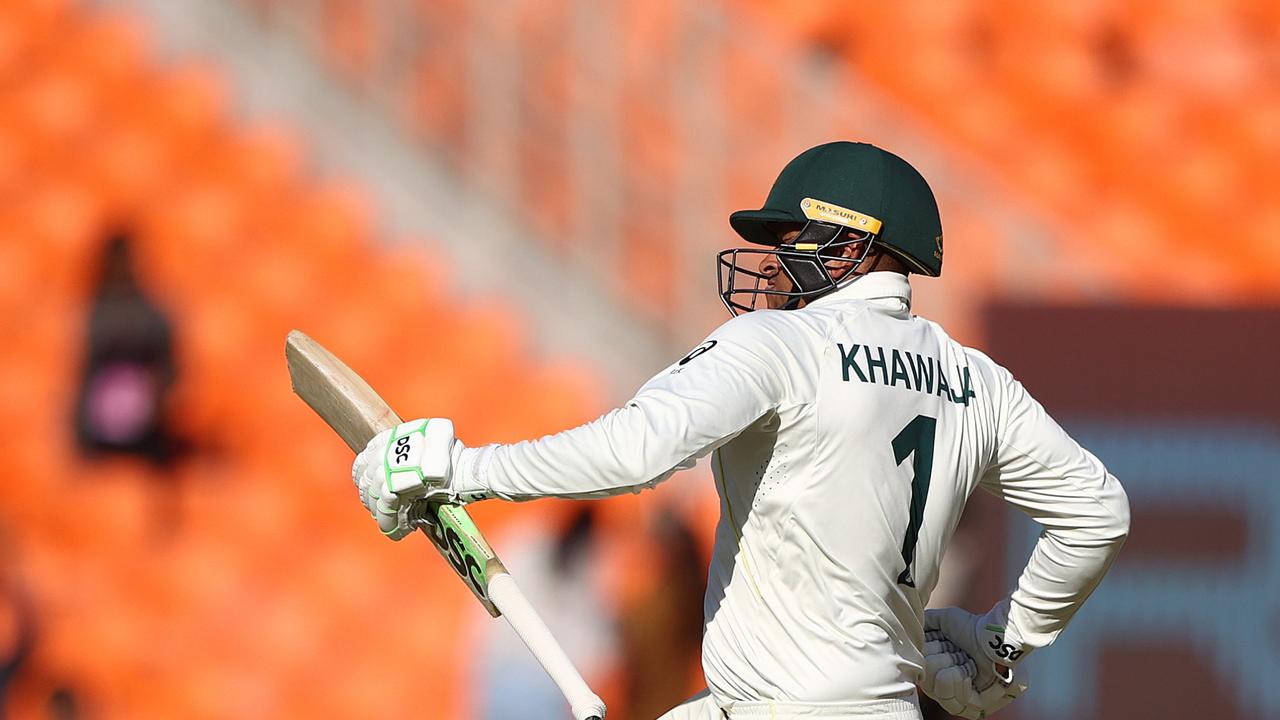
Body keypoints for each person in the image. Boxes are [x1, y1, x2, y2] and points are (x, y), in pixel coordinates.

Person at [350, 142, 1130, 719]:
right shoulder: (976, 381)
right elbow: (1100, 512)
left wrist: (454, 468)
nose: (778, 258)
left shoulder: (783, 345)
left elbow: (636, 450)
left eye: (794, 239)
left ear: (852, 244)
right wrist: (1001, 646)